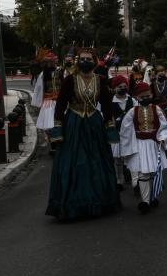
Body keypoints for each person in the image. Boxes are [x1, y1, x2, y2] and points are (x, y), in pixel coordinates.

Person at [46, 47, 120, 220]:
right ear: (78, 61)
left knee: (97, 162)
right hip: (74, 123)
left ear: (95, 61)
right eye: (82, 59)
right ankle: (74, 203)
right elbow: (60, 105)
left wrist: (110, 128)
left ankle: (98, 201)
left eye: (89, 59)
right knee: (75, 163)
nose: (85, 62)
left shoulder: (101, 80)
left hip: (94, 123)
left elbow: (107, 106)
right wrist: (57, 129)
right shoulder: (70, 80)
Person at [120, 82, 167, 213]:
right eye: (142, 96)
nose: (145, 98)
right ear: (137, 97)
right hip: (139, 145)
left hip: (154, 144)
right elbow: (125, 130)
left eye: (147, 95)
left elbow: (165, 125)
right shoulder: (132, 111)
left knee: (155, 171)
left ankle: (154, 196)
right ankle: (145, 201)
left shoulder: (157, 109)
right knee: (143, 173)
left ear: (151, 95)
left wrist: (162, 137)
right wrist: (129, 145)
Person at [32, 51, 62, 154]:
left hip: (58, 102)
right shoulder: (43, 74)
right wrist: (39, 103)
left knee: (56, 123)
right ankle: (53, 145)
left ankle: (56, 144)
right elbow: (39, 89)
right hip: (49, 102)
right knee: (50, 124)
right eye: (53, 61)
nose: (54, 63)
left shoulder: (60, 72)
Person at [110, 75, 137, 190]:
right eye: (120, 86)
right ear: (114, 88)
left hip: (130, 133)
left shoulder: (132, 100)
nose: (123, 88)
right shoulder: (109, 102)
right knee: (117, 159)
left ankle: (135, 182)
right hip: (115, 133)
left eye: (125, 86)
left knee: (131, 156)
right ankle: (119, 179)